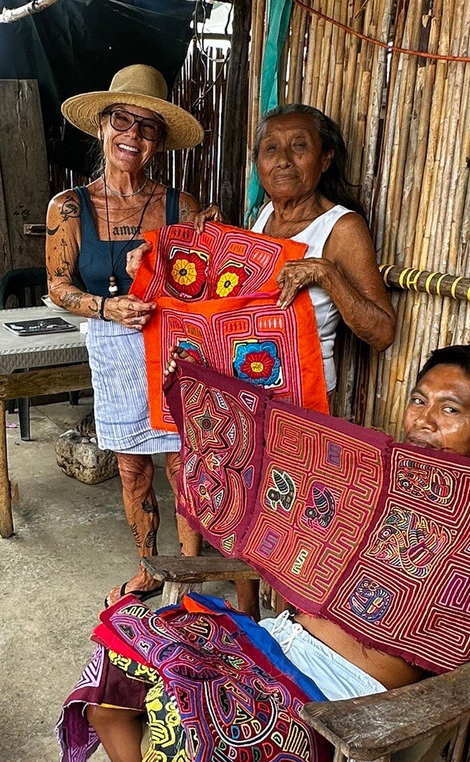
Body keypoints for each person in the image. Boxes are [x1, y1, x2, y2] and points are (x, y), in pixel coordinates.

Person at [62, 345, 470, 762]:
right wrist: (195, 385)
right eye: (419, 400)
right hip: (268, 642)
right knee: (111, 668)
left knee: (188, 731)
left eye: (449, 410)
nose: (423, 421)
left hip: (335, 698)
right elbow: (263, 467)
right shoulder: (373, 474)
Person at [128, 103, 397, 618]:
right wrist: (202, 245)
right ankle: (249, 621)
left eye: (299, 147)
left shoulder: (341, 229)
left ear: (326, 158)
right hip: (242, 401)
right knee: (244, 518)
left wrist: (325, 274)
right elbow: (232, 304)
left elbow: (381, 331)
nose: (283, 160)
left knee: (297, 528)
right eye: (270, 149)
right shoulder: (265, 218)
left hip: (303, 407)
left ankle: (296, 629)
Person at [47, 65, 218, 606]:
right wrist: (104, 306)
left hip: (173, 351)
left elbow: (209, 287)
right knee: (132, 468)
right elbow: (57, 285)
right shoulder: (69, 207)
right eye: (123, 121)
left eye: (148, 128)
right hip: (113, 350)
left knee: (183, 464)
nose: (134, 137)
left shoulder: (181, 207)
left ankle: (187, 578)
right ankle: (147, 568)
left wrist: (183, 253)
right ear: (101, 125)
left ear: (160, 142)